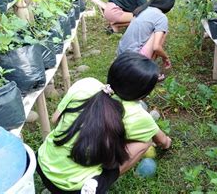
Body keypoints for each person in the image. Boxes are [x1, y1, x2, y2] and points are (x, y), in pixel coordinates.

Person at [36, 52, 172, 194]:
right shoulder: (139, 116)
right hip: (72, 188)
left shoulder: (86, 83)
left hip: (42, 163)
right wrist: (168, 142)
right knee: (146, 142)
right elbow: (162, 141)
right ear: (143, 94)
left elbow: (55, 119)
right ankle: (100, 180)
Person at [117, 0, 175, 72]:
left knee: (156, 31)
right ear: (169, 4)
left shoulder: (143, 9)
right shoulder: (161, 17)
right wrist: (165, 58)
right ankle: (147, 70)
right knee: (162, 32)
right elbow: (156, 47)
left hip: (121, 55)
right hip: (133, 62)